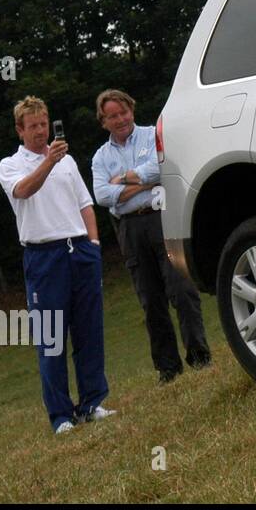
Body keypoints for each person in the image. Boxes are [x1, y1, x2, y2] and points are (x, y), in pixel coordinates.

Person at [0, 96, 116, 434]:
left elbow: (85, 204)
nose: (40, 131)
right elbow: (23, 191)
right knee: (51, 339)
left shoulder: (67, 161)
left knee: (89, 331)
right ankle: (61, 416)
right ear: (20, 130)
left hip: (79, 250)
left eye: (44, 124)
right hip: (44, 256)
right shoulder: (11, 165)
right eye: (33, 126)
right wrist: (48, 161)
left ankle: (92, 402)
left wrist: (93, 244)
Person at [91, 88, 210, 383]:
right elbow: (102, 195)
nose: (120, 119)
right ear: (103, 121)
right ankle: (168, 368)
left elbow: (164, 167)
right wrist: (144, 182)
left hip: (163, 218)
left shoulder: (151, 135)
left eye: (124, 112)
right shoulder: (101, 157)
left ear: (132, 109)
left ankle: (199, 356)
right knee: (150, 300)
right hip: (130, 229)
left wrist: (125, 179)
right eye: (112, 116)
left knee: (181, 289)